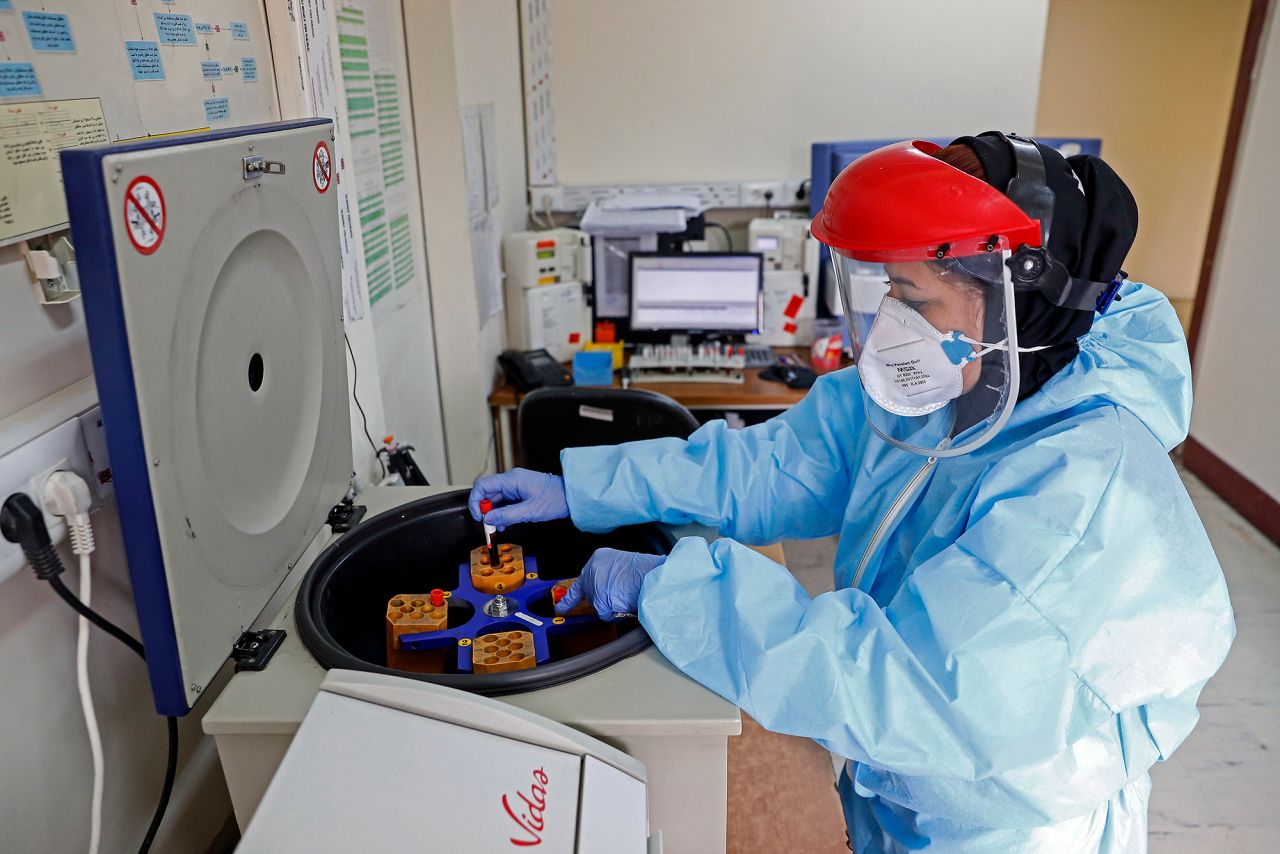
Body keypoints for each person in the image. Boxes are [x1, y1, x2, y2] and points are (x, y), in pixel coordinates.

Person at [469, 133, 1235, 852]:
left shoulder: (1083, 489)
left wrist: (681, 592)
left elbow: (905, 683)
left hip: (1003, 820)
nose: (894, 322)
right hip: (895, 778)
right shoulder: (956, 386)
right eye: (891, 291)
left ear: (1008, 299)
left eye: (915, 296)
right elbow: (772, 466)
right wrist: (589, 486)